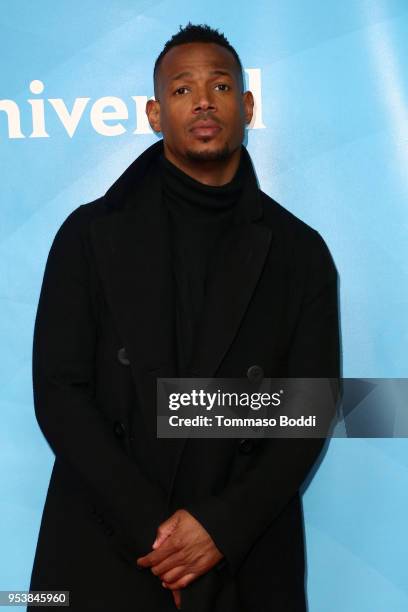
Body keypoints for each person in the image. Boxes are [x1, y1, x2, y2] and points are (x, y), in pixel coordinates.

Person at [28, 23, 340, 612]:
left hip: (242, 551)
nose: (202, 100)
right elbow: (59, 395)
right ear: (153, 113)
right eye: (181, 89)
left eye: (220, 86)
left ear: (246, 106)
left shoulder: (301, 252)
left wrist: (218, 529)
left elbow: (310, 409)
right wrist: (162, 536)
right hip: (104, 543)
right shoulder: (88, 235)